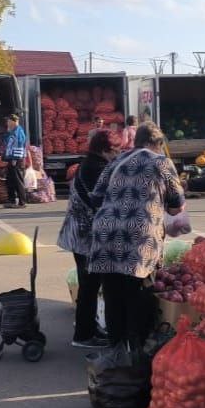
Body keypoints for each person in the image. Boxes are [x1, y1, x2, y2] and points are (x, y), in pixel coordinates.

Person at [88, 122, 185, 347]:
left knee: (113, 292)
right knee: (138, 292)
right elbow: (176, 204)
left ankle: (116, 348)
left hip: (106, 235)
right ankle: (136, 348)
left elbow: (95, 199)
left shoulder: (116, 161)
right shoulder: (161, 162)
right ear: (157, 144)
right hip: (139, 236)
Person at [58, 129, 120, 348]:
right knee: (89, 285)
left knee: (89, 285)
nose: (117, 154)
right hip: (85, 236)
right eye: (115, 150)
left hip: (80, 234)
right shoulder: (96, 168)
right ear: (104, 150)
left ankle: (88, 329)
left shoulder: (90, 163)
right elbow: (102, 201)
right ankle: (84, 335)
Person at [2, 113, 28, 208]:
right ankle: (11, 200)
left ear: (14, 121)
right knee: (10, 180)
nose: (7, 123)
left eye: (8, 121)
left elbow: (19, 145)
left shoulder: (18, 132)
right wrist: (8, 132)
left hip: (15, 159)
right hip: (11, 159)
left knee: (17, 180)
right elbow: (6, 141)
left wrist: (15, 159)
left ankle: (22, 202)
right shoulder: (12, 131)